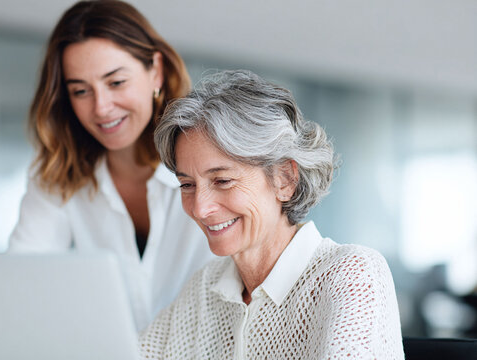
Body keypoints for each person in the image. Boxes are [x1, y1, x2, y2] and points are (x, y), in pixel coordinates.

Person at [140, 70, 404, 359]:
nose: (200, 208)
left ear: (284, 179)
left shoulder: (350, 274)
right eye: (187, 185)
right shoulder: (205, 288)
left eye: (222, 181)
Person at [7, 0, 214, 331]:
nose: (101, 108)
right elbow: (21, 280)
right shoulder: (57, 173)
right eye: (80, 90)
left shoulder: (214, 159)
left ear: (155, 72)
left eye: (116, 82)